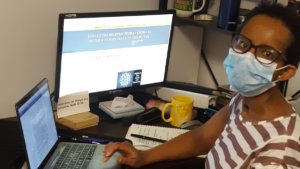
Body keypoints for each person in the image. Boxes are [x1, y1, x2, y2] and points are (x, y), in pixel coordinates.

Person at [102, 4, 300, 169]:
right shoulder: (243, 99)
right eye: (243, 43)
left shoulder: (280, 151)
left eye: (266, 54)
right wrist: (143, 157)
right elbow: (201, 137)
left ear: (285, 72)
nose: (248, 56)